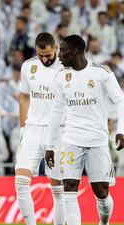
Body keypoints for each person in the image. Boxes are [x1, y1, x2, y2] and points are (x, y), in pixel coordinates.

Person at [45, 34, 124, 225]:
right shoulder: (61, 76)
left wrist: (121, 130)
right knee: (69, 187)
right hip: (71, 139)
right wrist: (50, 144)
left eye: (62, 51)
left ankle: (103, 223)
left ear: (75, 51)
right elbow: (56, 110)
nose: (59, 55)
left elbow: (121, 100)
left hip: (97, 140)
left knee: (101, 191)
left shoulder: (101, 73)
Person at [15, 32, 65, 225]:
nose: (44, 59)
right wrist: (22, 129)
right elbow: (24, 97)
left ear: (56, 49)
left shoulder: (66, 67)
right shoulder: (28, 66)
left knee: (57, 185)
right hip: (33, 129)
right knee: (20, 181)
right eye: (40, 55)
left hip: (59, 130)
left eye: (48, 55)